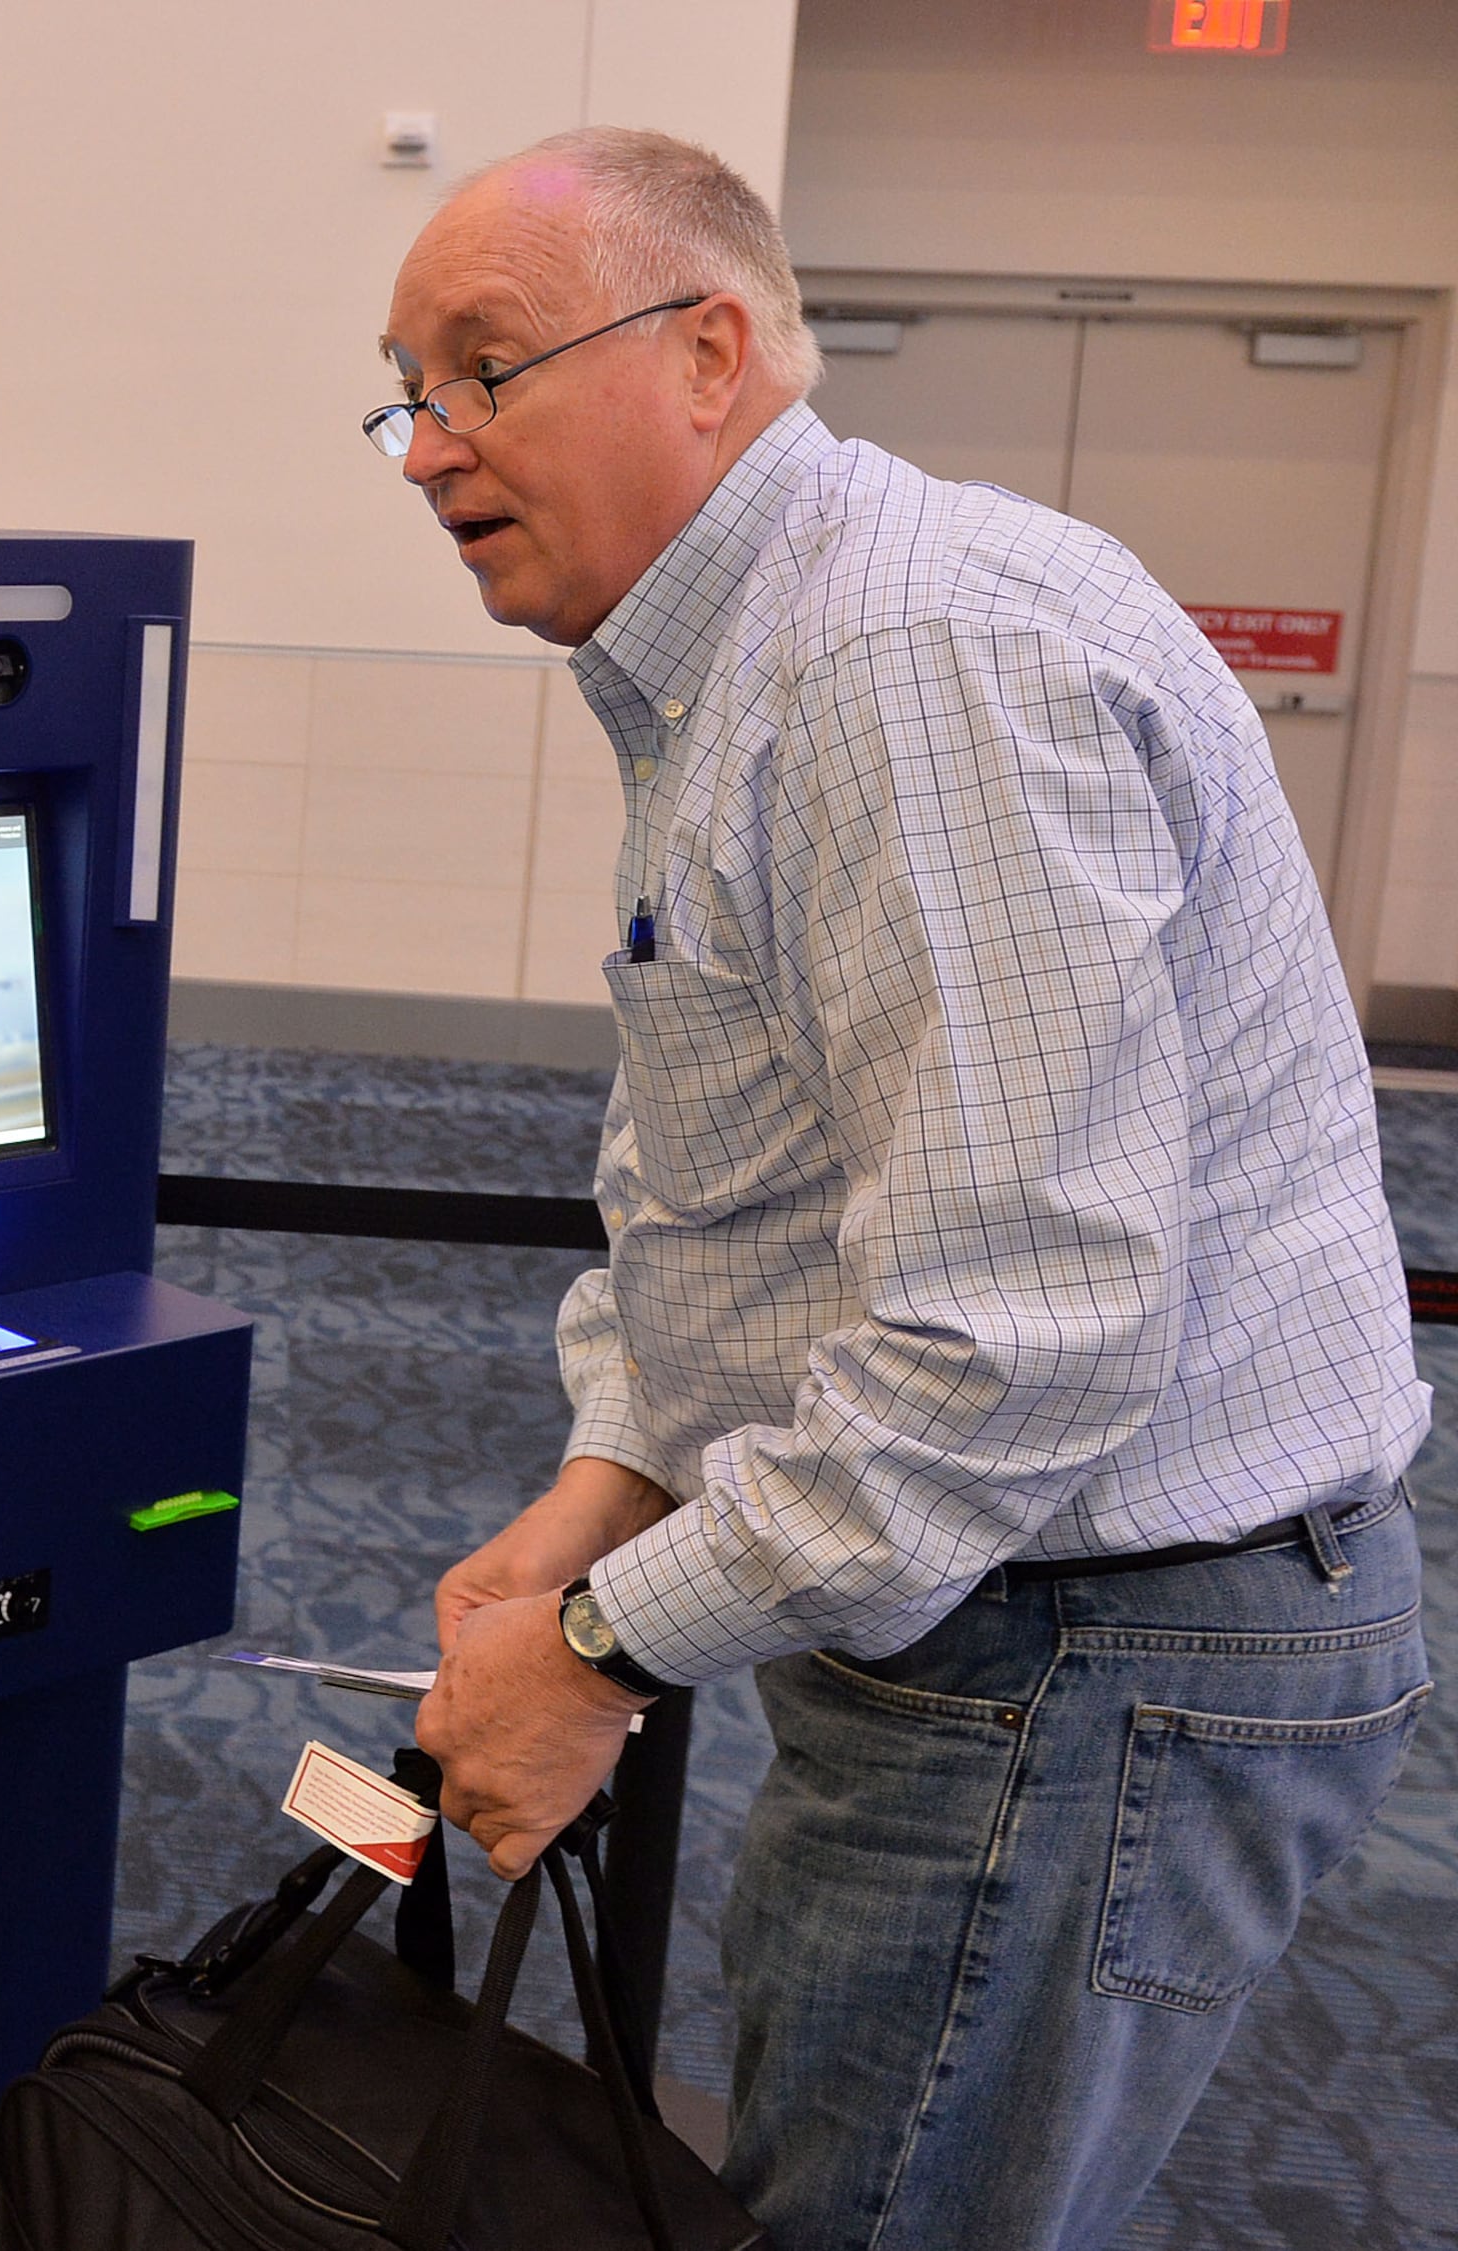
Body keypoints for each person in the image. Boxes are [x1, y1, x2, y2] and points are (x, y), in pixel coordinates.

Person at [383, 128, 1431, 2249]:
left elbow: (1008, 1339)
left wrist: (595, 1648)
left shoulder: (898, 666)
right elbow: (730, 1161)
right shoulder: (758, 656)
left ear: (709, 351)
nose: (425, 446)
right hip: (1010, 1625)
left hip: (1087, 1650)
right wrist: (616, 1477)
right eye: (404, 388)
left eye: (482, 369)